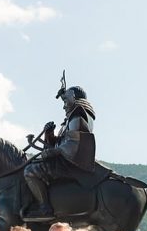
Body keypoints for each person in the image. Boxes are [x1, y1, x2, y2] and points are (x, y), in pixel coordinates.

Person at [23, 82, 96, 220]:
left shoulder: (77, 117)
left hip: (69, 165)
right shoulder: (72, 119)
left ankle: (45, 208)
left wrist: (53, 152)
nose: (64, 105)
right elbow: (61, 143)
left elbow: (74, 144)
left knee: (30, 171)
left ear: (73, 98)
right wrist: (49, 135)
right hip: (65, 160)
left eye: (66, 101)